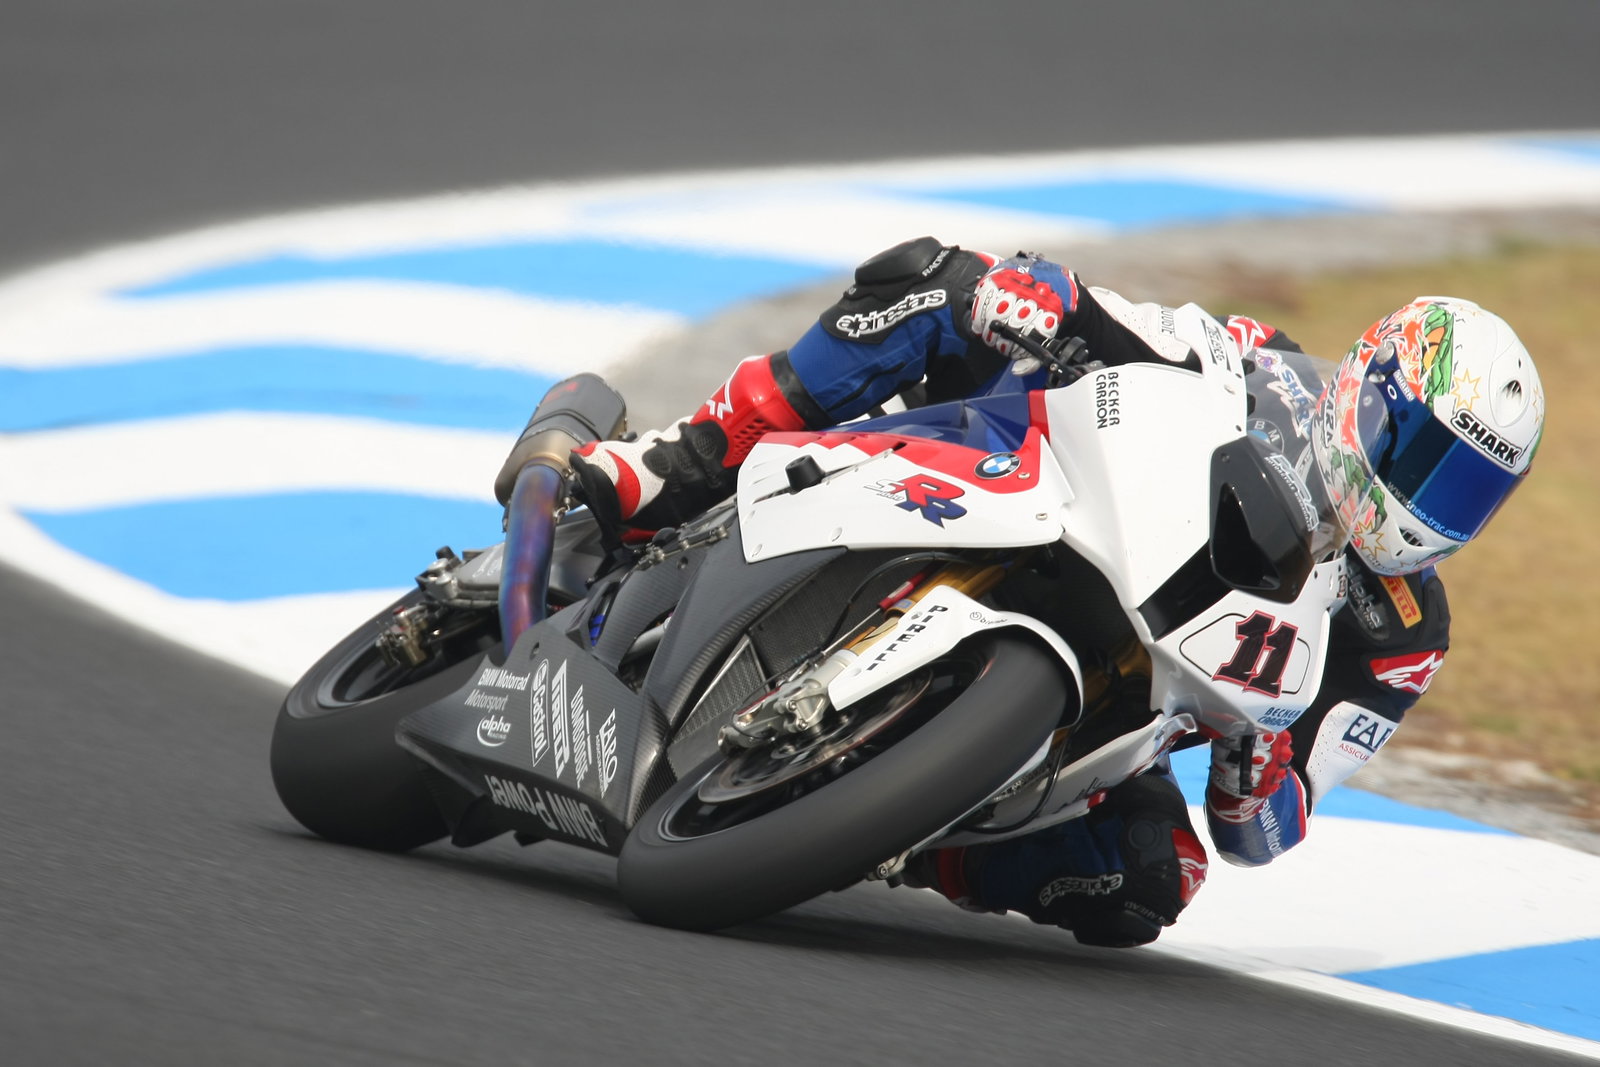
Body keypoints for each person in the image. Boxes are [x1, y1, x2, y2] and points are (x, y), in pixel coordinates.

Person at [499, 237, 1545, 948]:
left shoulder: (1404, 636)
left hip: (1121, 706)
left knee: (1154, 876)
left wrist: (1257, 761)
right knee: (932, 281)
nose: (1426, 500)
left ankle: (891, 835)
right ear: (1370, 390)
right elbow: (1130, 324)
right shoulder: (1267, 370)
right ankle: (667, 466)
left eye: (1466, 489)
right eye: (1422, 455)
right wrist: (1044, 297)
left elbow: (1265, 830)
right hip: (1027, 466)